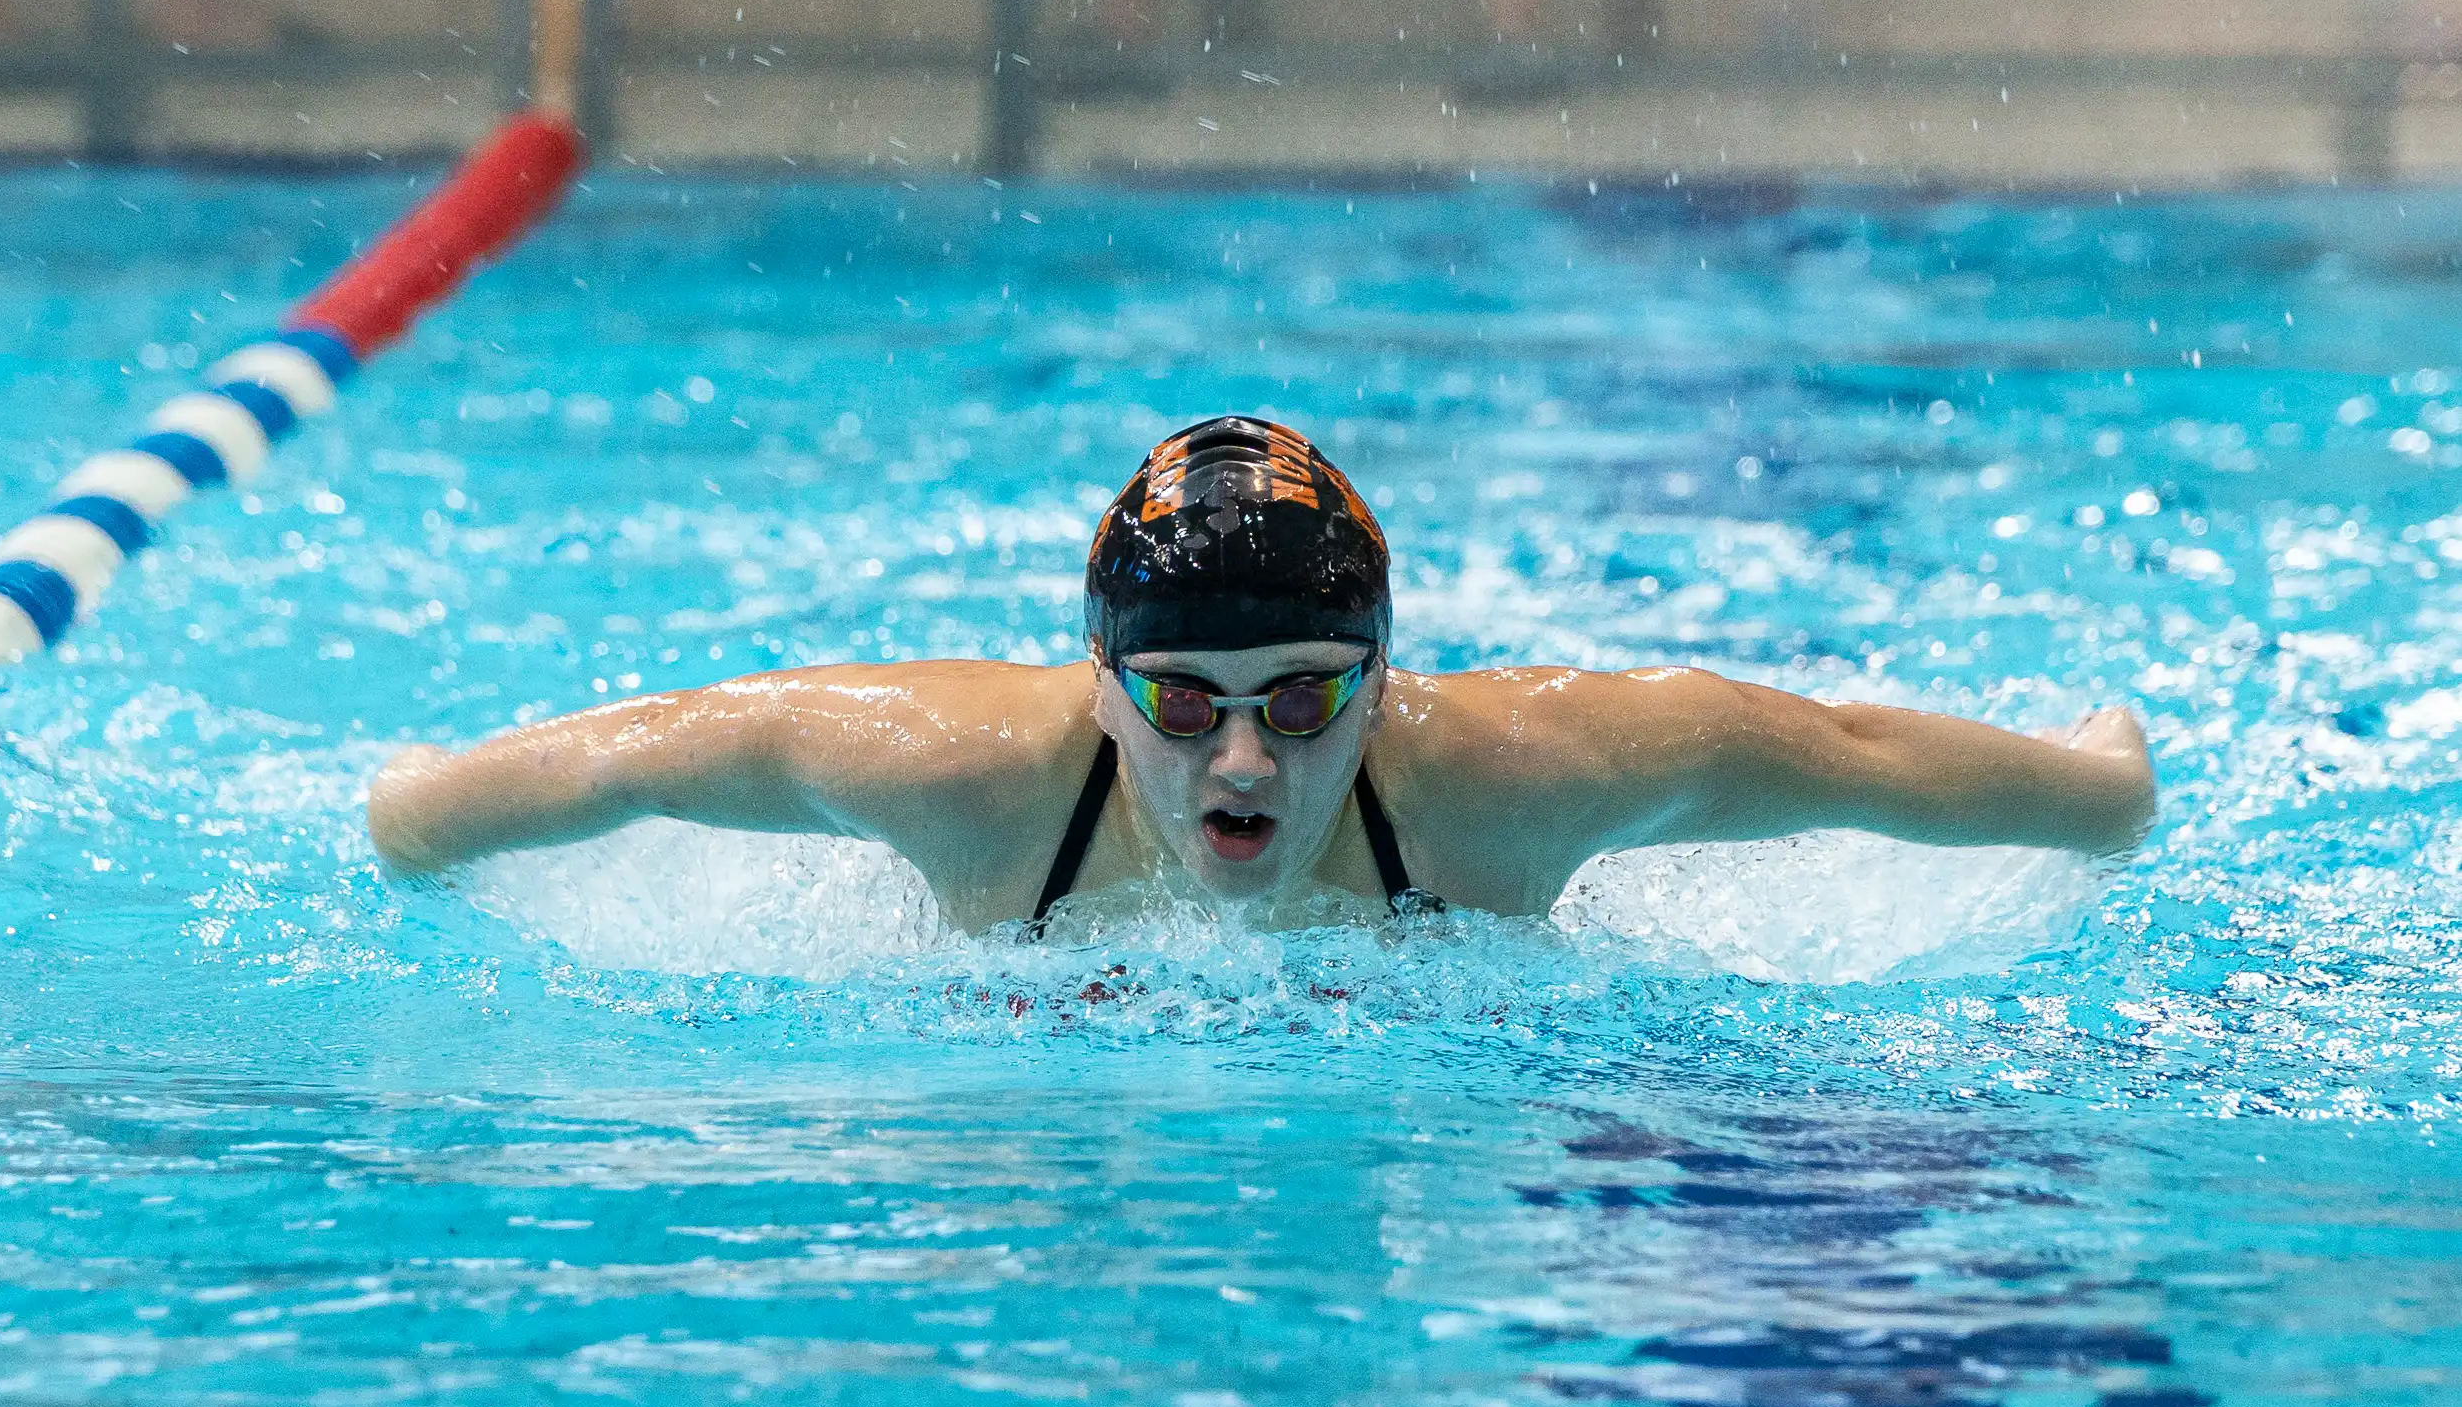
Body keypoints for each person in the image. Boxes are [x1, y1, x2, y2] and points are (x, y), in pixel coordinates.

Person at [367, 416, 2155, 935]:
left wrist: (2100, 788)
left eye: (1306, 697)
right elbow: (667, 748)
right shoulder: (960, 777)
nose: (1244, 758)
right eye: (1183, 701)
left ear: (1384, 685)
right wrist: (414, 819)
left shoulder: (1512, 783)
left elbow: (1829, 749)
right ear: (1097, 692)